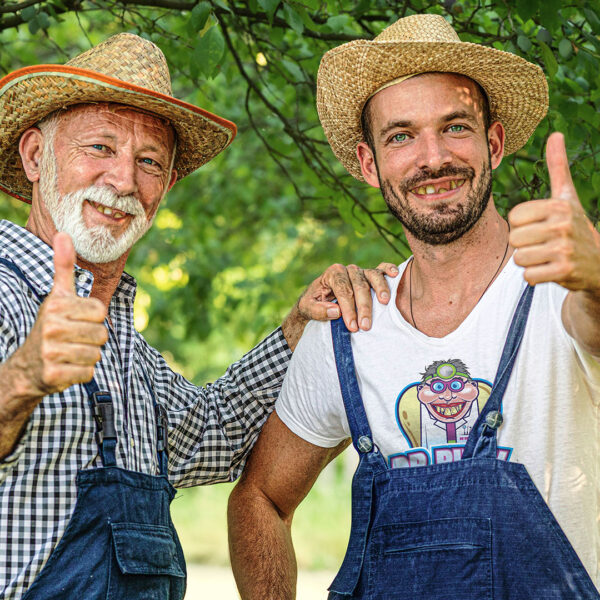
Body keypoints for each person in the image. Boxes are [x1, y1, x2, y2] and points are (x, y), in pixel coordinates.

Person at [0, 33, 394, 600]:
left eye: (149, 161)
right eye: (100, 148)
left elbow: (220, 432)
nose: (123, 180)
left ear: (165, 187)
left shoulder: (128, 354)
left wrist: (297, 331)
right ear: (36, 156)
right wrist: (23, 378)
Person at [228, 14, 600, 599]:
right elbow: (259, 499)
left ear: (494, 143)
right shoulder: (349, 327)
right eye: (401, 136)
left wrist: (596, 278)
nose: (433, 159)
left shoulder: (564, 290)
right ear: (370, 163)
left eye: (454, 127)